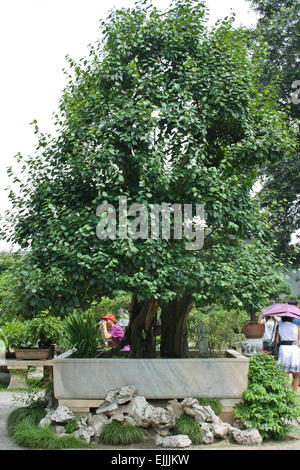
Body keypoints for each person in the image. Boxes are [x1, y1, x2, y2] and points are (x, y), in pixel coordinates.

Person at [276, 316, 300, 392]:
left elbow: (277, 341)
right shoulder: (297, 326)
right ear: (292, 318)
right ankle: (294, 394)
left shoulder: (279, 326)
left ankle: (286, 394)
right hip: (294, 349)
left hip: (284, 349)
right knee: (296, 374)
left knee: (284, 373)